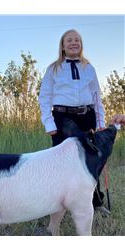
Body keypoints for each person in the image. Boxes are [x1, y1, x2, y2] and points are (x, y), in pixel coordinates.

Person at [39, 29, 110, 214]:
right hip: (62, 118)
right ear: (62, 46)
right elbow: (44, 97)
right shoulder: (53, 68)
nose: (73, 42)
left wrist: (100, 121)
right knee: (61, 162)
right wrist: (49, 122)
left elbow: (96, 97)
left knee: (91, 160)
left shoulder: (89, 68)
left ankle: (95, 201)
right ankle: (57, 205)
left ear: (81, 44)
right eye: (69, 40)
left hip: (87, 116)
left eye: (77, 40)